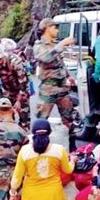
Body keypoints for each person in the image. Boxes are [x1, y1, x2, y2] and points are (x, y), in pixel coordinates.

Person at [33, 18, 77, 151]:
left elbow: (60, 63)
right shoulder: (39, 45)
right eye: (55, 27)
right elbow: (46, 58)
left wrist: (69, 76)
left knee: (69, 118)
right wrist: (62, 44)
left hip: (62, 87)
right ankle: (38, 147)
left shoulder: (54, 45)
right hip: (48, 87)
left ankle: (72, 148)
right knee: (41, 120)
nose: (57, 30)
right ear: (47, 28)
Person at [0, 43, 31, 132]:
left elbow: (23, 84)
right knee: (6, 116)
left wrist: (19, 101)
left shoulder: (15, 62)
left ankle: (24, 134)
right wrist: (2, 100)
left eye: (0, 58)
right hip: (8, 90)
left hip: (21, 90)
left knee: (24, 116)